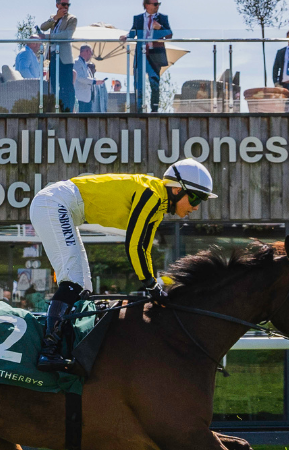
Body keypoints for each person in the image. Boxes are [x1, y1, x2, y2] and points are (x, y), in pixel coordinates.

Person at [29, 158, 215, 372]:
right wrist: (152, 287)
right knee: (73, 281)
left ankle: (68, 346)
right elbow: (134, 246)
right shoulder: (152, 195)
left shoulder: (158, 207)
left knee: (84, 289)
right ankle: (48, 351)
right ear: (175, 190)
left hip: (64, 206)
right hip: (54, 202)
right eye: (194, 197)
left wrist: (153, 285)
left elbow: (144, 249)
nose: (196, 205)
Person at [125, 0, 171, 113]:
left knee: (154, 83)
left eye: (158, 4)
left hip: (155, 54)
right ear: (147, 5)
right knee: (138, 82)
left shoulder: (162, 18)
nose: (157, 6)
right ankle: (139, 108)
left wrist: (160, 27)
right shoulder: (138, 18)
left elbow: (169, 35)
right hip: (141, 54)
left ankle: (154, 109)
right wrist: (125, 36)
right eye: (155, 4)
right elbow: (132, 32)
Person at [37, 0, 77, 113]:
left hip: (65, 58)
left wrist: (48, 37)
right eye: (64, 4)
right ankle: (57, 108)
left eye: (68, 5)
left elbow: (67, 35)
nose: (66, 7)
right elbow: (43, 27)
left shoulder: (72, 19)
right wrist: (55, 18)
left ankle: (68, 110)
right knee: (54, 84)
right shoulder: (53, 18)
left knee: (67, 85)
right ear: (57, 5)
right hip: (53, 56)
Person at [73, 45, 97, 113]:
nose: (91, 55)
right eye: (91, 53)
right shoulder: (77, 62)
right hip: (80, 98)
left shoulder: (84, 63)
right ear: (87, 51)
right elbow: (80, 78)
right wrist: (94, 81)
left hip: (87, 98)